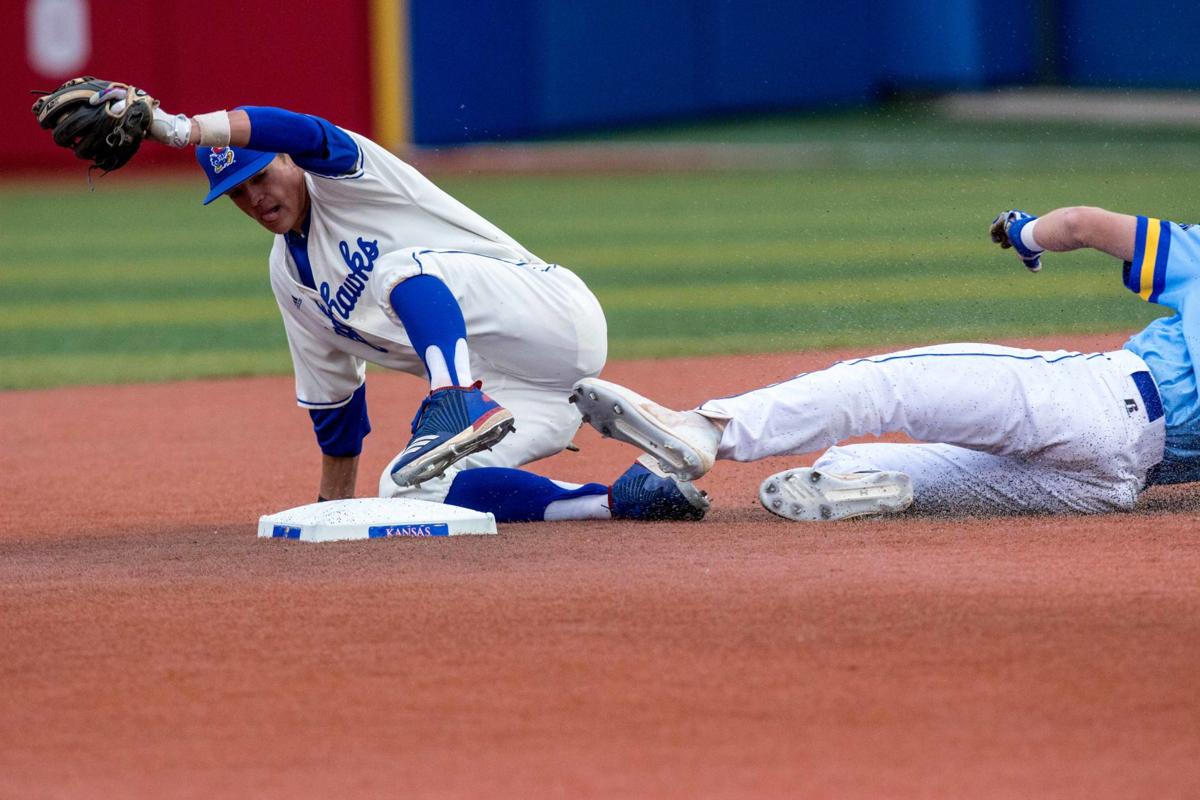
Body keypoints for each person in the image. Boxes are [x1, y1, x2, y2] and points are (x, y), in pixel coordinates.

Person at [131, 96, 708, 522]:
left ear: (289, 161)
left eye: (261, 175)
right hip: (522, 395)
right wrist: (334, 511)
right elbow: (334, 403)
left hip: (551, 315)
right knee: (409, 490)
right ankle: (619, 500)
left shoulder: (350, 179)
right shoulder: (288, 278)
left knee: (399, 270)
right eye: (236, 193)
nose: (254, 198)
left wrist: (182, 130)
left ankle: (454, 400)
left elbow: (305, 129)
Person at [570, 206, 1195, 521]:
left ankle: (705, 429)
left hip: (1099, 401)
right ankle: (855, 484)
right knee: (865, 468)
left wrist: (1026, 233)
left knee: (885, 385)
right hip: (1110, 486)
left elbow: (1083, 224)